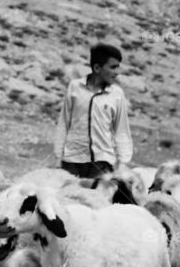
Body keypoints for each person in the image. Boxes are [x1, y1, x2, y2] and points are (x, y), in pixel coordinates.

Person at [53, 42, 133, 178]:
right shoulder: (74, 87)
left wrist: (123, 162)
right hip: (72, 160)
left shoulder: (117, 94)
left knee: (96, 198)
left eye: (118, 68)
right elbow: (63, 123)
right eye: (113, 67)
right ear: (97, 68)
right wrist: (57, 155)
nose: (117, 73)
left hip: (102, 163)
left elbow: (122, 130)